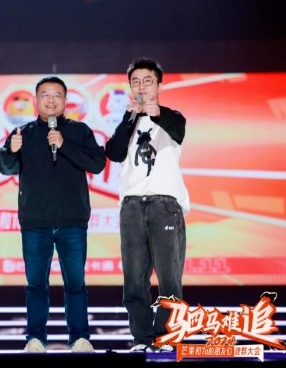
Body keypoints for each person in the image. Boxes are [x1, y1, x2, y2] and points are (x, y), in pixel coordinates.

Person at [0, 76, 107, 353]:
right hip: (35, 223)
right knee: (36, 285)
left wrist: (64, 144)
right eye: (45, 94)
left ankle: (80, 338)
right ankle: (35, 339)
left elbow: (97, 163)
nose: (51, 100)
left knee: (75, 284)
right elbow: (6, 167)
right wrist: (11, 150)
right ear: (36, 100)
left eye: (57, 95)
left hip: (72, 222)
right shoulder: (23, 132)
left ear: (66, 100)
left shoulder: (79, 131)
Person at [104, 57, 189, 353]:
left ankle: (164, 338)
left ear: (159, 85)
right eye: (135, 82)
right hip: (131, 206)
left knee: (169, 278)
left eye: (147, 81)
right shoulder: (127, 122)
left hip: (164, 204)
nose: (141, 87)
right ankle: (141, 338)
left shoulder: (172, 117)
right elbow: (113, 153)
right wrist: (129, 118)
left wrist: (156, 112)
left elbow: (178, 131)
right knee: (134, 280)